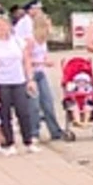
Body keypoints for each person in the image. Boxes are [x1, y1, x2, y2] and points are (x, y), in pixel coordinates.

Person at [0, 13, 38, 154]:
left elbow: (26, 61)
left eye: (4, 25)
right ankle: (9, 143)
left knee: (23, 111)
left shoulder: (18, 42)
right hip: (1, 82)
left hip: (18, 80)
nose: (2, 28)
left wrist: (30, 79)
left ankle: (28, 141)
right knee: (4, 113)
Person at [27, 10, 67, 142]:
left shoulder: (43, 42)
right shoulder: (31, 41)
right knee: (34, 105)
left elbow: (43, 56)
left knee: (48, 102)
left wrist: (46, 62)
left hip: (41, 73)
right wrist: (43, 62)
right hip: (32, 73)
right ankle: (33, 132)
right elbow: (26, 60)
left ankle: (55, 130)